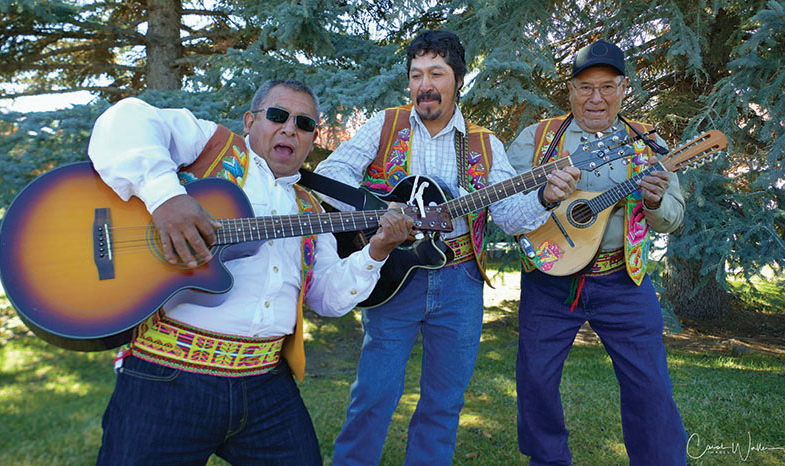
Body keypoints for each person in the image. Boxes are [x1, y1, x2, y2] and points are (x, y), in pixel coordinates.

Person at [87, 79, 414, 465]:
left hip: (264, 384)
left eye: (305, 124)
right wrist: (166, 198)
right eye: (278, 116)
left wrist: (376, 252)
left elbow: (327, 299)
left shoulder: (311, 210)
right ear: (249, 121)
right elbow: (122, 120)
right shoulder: (212, 146)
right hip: (167, 374)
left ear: (311, 140)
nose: (290, 128)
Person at [314, 30, 580, 465]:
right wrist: (381, 212)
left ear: (457, 80)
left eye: (436, 73)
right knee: (373, 395)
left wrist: (545, 196)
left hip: (459, 283)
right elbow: (330, 176)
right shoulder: (385, 124)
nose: (424, 85)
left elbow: (510, 216)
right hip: (393, 276)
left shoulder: (483, 144)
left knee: (443, 404)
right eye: (416, 75)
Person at [506, 40, 688, 465]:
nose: (596, 98)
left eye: (607, 87)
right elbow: (504, 204)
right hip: (549, 281)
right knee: (535, 382)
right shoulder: (538, 139)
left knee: (650, 386)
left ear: (624, 88)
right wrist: (542, 195)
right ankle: (547, 460)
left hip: (622, 280)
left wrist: (656, 202)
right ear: (570, 89)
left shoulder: (649, 142)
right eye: (585, 87)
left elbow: (675, 217)